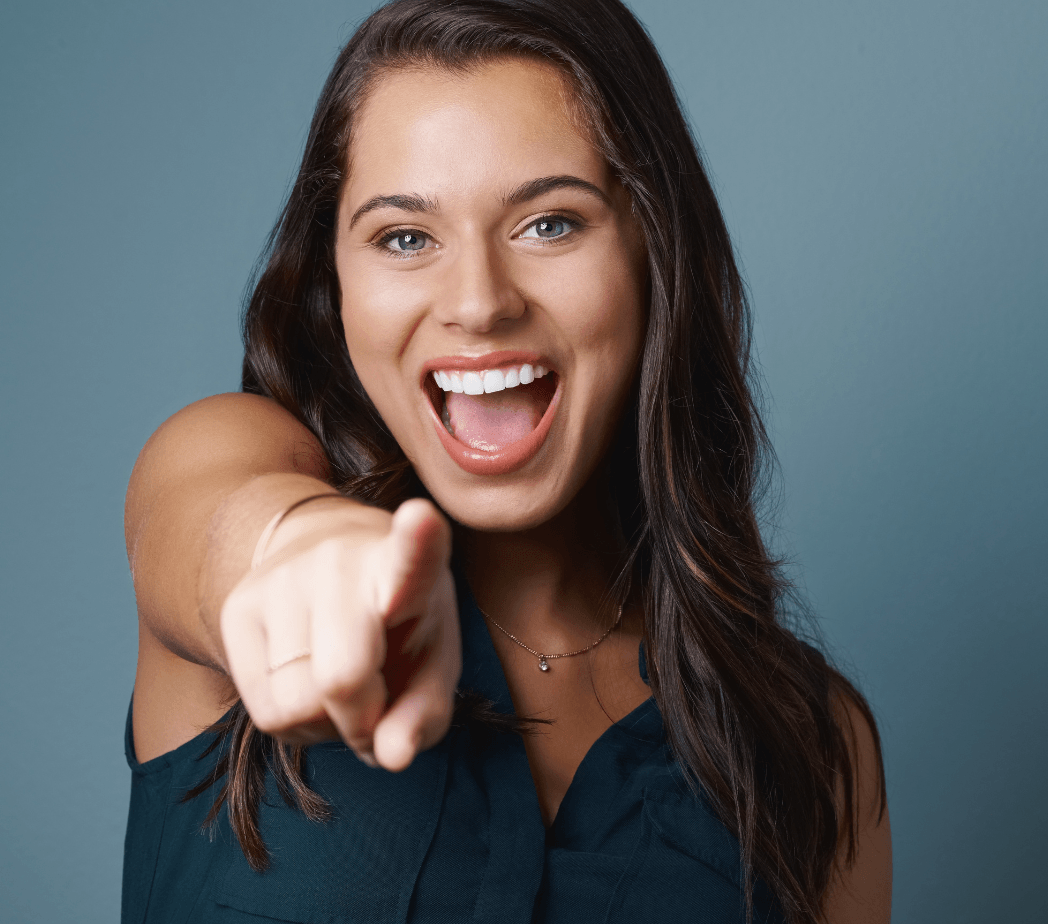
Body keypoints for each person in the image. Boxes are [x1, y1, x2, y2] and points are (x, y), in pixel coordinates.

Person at [121, 1, 890, 921]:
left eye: (550, 224)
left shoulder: (811, 741)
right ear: (337, 282)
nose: (479, 302)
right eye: (405, 238)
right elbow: (216, 519)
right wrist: (304, 554)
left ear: (651, 248)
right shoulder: (225, 456)